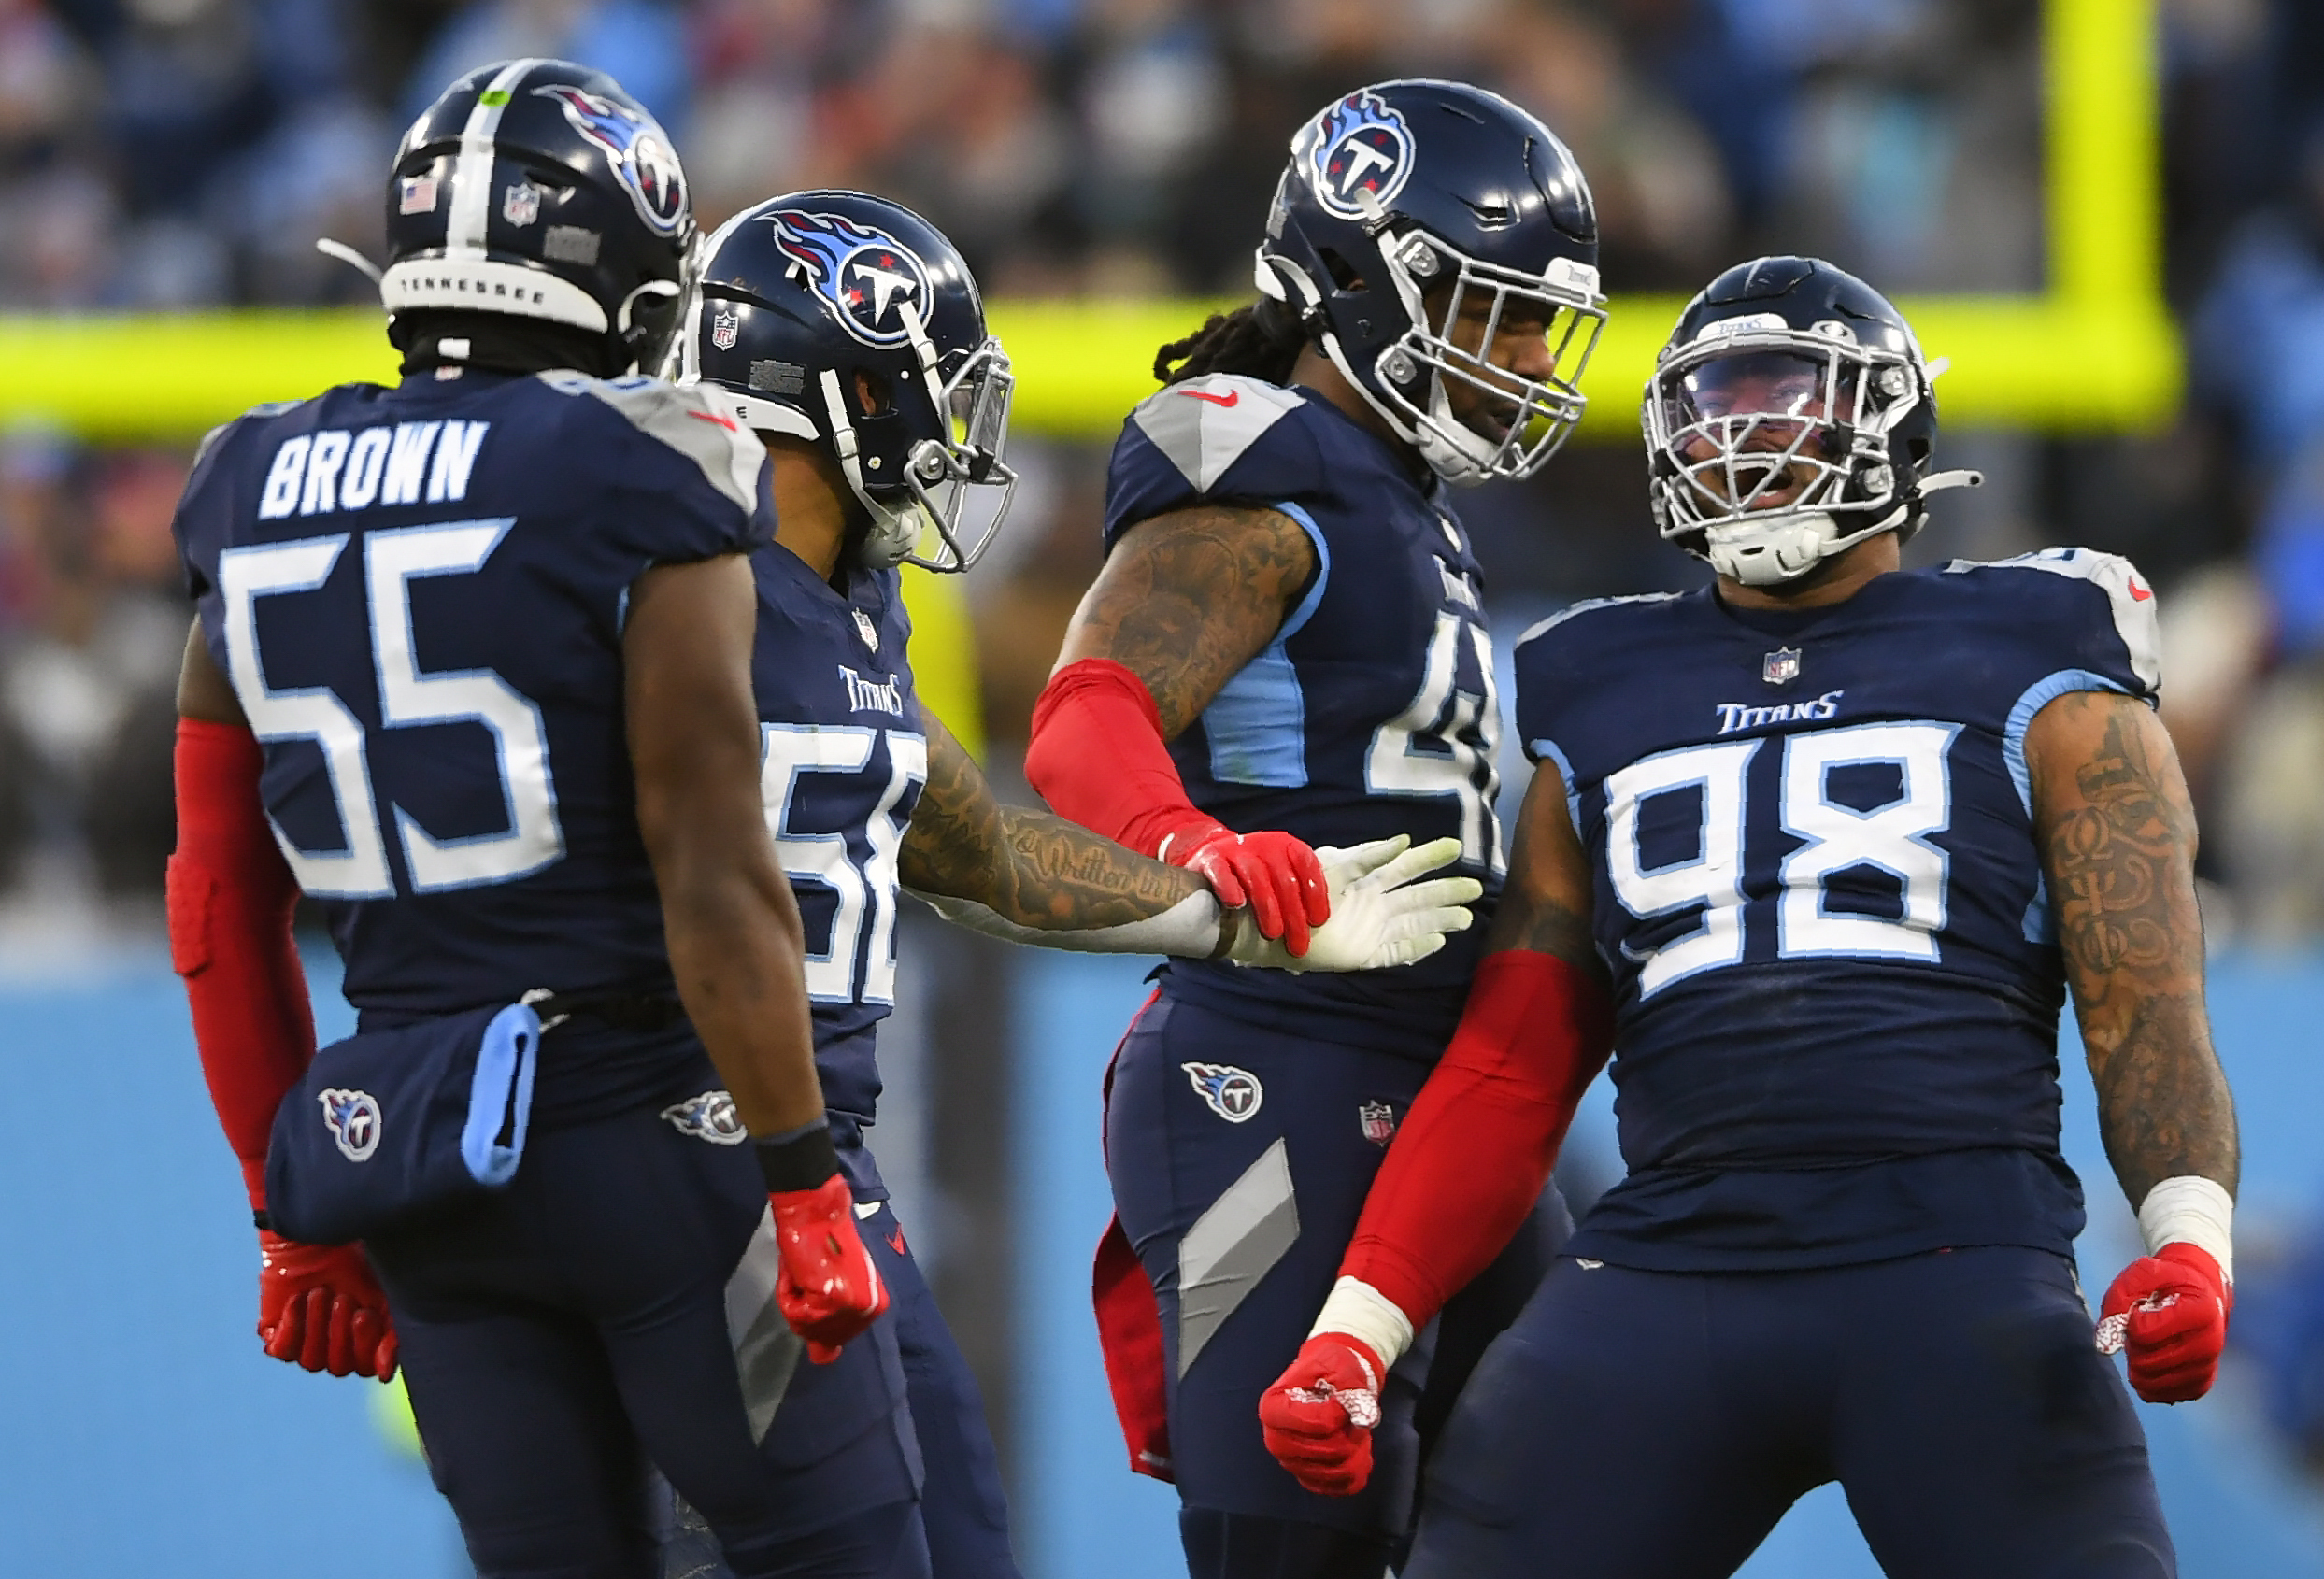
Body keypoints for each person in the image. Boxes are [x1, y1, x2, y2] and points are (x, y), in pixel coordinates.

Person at [1259, 256, 2242, 1579]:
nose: (1743, 436)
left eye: (1783, 400)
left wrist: (2187, 1235)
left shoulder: (2043, 650)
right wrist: (1356, 1328)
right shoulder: (1597, 678)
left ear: (1888, 419)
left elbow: (2144, 996)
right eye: (1715, 405)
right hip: (1670, 1272)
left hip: (1951, 1261)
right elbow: (1514, 1061)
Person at [650, 188, 1486, 1579]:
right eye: (929, 390)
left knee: (958, 1539)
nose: (953, 434)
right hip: (672, 1146)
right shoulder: (651, 573)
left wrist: (1236, 910)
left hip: (817, 1159)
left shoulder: (853, 598)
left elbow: (981, 852)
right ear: (834, 384)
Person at [166, 61, 914, 1578]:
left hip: (417, 1151)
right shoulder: (645, 458)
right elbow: (713, 863)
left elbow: (215, 905)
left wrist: (290, 1204)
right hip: (654, 1125)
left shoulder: (245, 481)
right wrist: (800, 1168)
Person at [1023, 79, 1609, 1579]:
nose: (1533, 358)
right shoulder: (1266, 465)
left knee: (1564, 1516)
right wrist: (1192, 846)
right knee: (1295, 1550)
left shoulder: (1403, 497)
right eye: (1499, 312)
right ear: (1367, 283)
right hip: (1272, 1074)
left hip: (1450, 1093)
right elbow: (1085, 713)